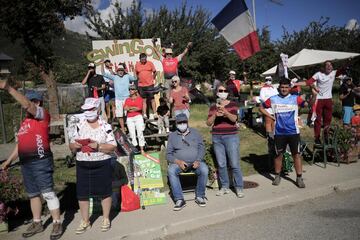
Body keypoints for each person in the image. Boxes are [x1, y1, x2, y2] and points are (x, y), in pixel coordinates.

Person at [0, 81, 62, 240]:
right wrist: (8, 161)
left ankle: (56, 222)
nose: (25, 105)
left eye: (31, 101)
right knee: (33, 194)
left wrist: (8, 88)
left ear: (38, 102)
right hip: (26, 163)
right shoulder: (25, 122)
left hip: (41, 161)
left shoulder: (42, 115)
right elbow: (20, 145)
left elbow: (28, 105)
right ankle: (37, 223)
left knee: (47, 193)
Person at [68, 98, 116, 234]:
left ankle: (106, 218)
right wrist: (74, 146)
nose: (88, 112)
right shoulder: (79, 125)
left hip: (102, 163)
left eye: (91, 109)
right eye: (86, 110)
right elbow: (71, 145)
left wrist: (99, 146)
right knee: (82, 194)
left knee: (105, 192)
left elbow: (113, 147)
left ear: (97, 109)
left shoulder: (105, 126)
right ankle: (85, 221)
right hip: (83, 164)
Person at [259, 77, 308, 188]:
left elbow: (306, 105)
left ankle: (299, 177)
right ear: (279, 88)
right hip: (279, 132)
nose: (284, 89)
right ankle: (277, 176)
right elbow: (261, 107)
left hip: (293, 132)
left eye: (286, 87)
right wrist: (270, 116)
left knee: (296, 154)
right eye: (282, 87)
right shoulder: (273, 99)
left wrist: (313, 97)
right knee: (278, 155)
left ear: (289, 88)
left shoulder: (295, 98)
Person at [206, 84, 244, 198]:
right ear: (217, 93)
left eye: (224, 90)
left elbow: (234, 119)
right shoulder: (213, 106)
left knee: (234, 163)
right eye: (220, 90)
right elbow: (208, 123)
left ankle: (239, 188)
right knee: (221, 164)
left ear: (228, 92)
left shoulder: (233, 105)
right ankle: (224, 187)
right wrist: (215, 115)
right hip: (217, 137)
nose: (222, 92)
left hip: (231, 136)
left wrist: (225, 112)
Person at [296, 61, 347, 144]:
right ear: (323, 67)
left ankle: (326, 137)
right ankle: (317, 138)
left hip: (328, 99)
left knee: (328, 119)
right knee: (318, 120)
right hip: (319, 99)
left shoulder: (333, 73)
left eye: (330, 65)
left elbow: (342, 70)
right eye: (327, 65)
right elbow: (308, 82)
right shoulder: (318, 74)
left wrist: (347, 61)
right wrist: (296, 83)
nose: (329, 66)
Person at [166, 113, 208, 211]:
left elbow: (201, 148)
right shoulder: (172, 136)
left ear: (187, 122)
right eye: (180, 122)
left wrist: (198, 160)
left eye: (184, 122)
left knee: (204, 170)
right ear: (176, 123)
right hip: (180, 164)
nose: (182, 124)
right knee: (171, 170)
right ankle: (179, 199)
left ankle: (200, 196)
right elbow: (168, 154)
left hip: (195, 162)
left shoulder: (195, 133)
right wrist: (178, 161)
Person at [101, 63, 137, 132]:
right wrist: (102, 64)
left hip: (127, 98)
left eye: (122, 70)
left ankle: (129, 128)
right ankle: (123, 129)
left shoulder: (127, 76)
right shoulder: (114, 77)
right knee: (120, 115)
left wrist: (133, 68)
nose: (120, 71)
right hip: (118, 99)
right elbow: (103, 73)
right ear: (117, 71)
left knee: (128, 114)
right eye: (119, 70)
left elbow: (135, 78)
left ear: (124, 71)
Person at [123, 85, 146, 154]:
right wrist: (133, 108)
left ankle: (142, 149)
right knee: (132, 134)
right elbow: (125, 108)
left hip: (138, 117)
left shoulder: (139, 99)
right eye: (129, 89)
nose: (130, 90)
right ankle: (135, 149)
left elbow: (139, 108)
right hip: (129, 118)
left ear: (136, 90)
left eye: (132, 89)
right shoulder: (127, 99)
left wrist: (130, 108)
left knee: (140, 133)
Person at [135, 53, 157, 119]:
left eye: (145, 59)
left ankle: (155, 113)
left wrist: (153, 78)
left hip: (150, 84)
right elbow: (136, 73)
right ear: (140, 59)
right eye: (142, 59)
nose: (144, 60)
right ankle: (144, 114)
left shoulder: (150, 63)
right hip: (141, 85)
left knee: (152, 99)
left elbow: (155, 72)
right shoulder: (137, 64)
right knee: (144, 100)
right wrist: (138, 80)